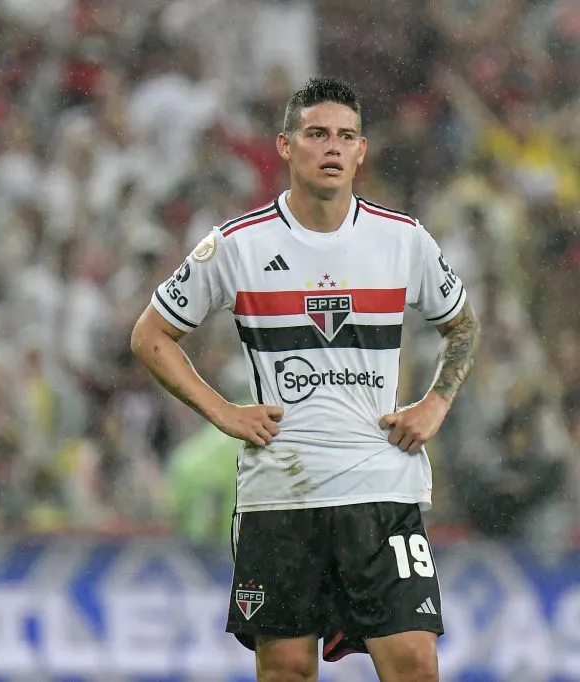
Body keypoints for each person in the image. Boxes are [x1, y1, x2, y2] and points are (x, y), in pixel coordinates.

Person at [131, 77, 480, 682]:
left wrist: (435, 404)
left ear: (362, 151)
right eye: (317, 134)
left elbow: (464, 326)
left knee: (415, 663)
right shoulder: (237, 246)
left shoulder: (403, 240)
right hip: (284, 493)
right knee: (288, 668)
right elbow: (150, 335)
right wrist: (224, 413)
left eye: (346, 136)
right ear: (286, 146)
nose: (333, 148)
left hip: (381, 486)